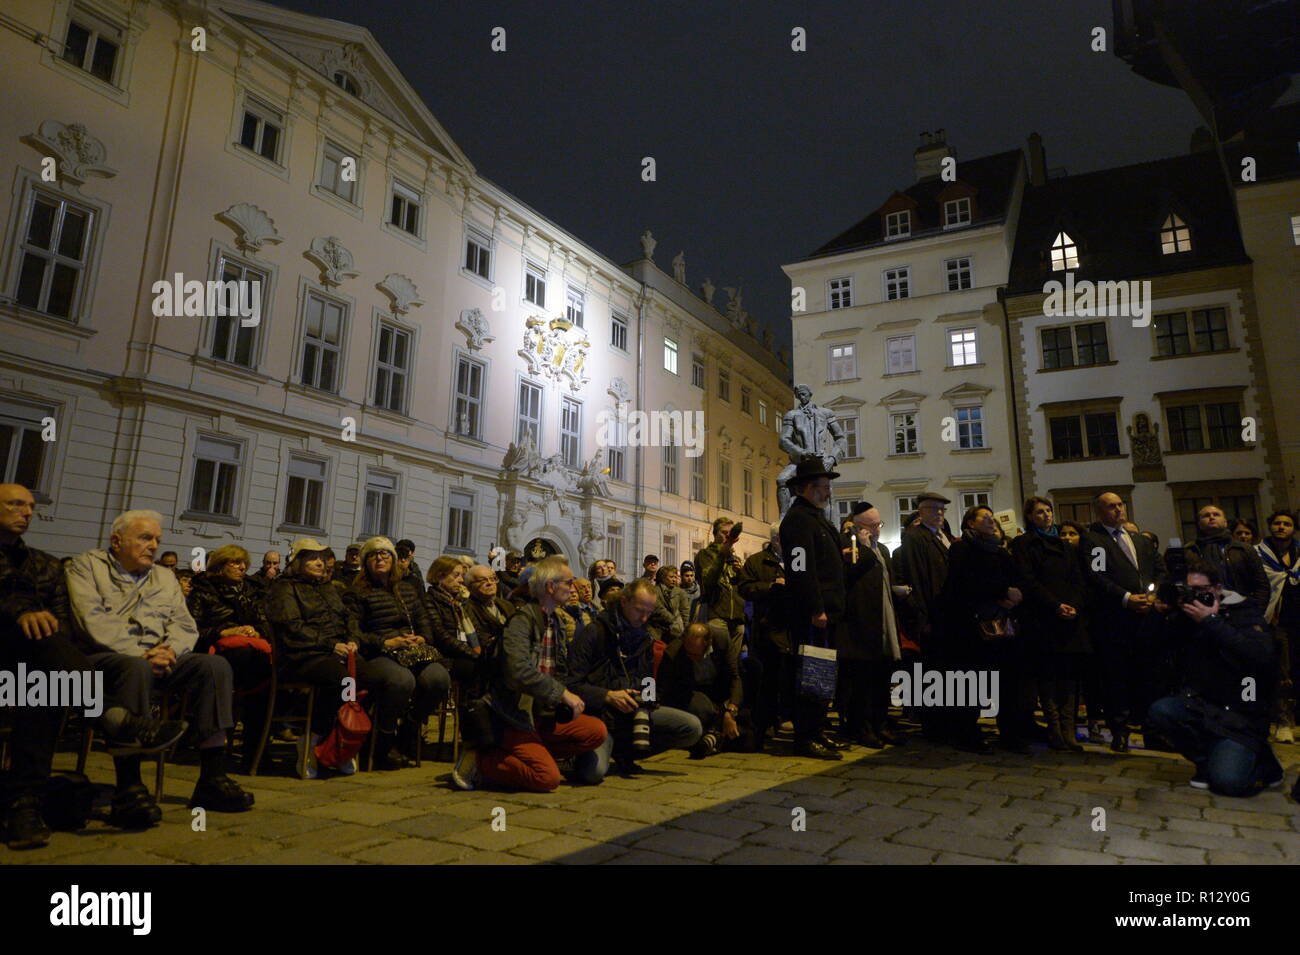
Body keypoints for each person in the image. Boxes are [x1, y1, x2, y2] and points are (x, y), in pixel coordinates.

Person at [66, 510, 253, 817]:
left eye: (156, 539)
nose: (153, 545)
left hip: (162, 659)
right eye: (144, 538)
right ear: (116, 540)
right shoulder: (86, 566)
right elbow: (91, 619)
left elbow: (185, 625)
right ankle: (129, 787)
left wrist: (170, 652)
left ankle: (212, 778)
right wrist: (140, 654)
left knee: (214, 666)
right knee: (134, 668)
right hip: (104, 659)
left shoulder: (164, 577)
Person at [265, 537, 416, 777]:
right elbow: (291, 627)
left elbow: (348, 619)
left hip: (336, 653)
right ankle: (312, 740)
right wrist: (330, 645)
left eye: (322, 558)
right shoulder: (284, 588)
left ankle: (344, 740)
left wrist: (352, 639)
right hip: (303, 656)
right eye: (312, 558)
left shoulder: (328, 587)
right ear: (298, 561)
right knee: (345, 682)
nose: (319, 563)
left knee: (377, 678)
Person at [0, 484, 100, 848]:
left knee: (47, 673)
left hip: (31, 669)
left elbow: (62, 624)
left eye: (30, 506)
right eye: (15, 504)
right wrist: (19, 613)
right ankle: (108, 715)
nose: (27, 511)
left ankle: (25, 803)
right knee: (40, 645)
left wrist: (38, 624)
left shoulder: (44, 564)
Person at [1146, 562, 1284, 795]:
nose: (1195, 596)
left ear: (1218, 588)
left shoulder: (1244, 612)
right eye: (1188, 590)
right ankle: (1205, 762)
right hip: (1202, 705)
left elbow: (1260, 657)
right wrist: (1158, 615)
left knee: (1229, 784)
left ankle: (1264, 762)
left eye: (1201, 589)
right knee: (1161, 711)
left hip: (1241, 716)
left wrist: (1211, 622)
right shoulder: (1186, 615)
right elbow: (1148, 648)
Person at [471, 556, 607, 792]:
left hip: (542, 711)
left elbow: (559, 669)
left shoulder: (556, 621)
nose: (572, 588)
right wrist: (561, 693)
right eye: (568, 582)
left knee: (596, 732)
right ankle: (481, 762)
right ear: (551, 587)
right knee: (546, 778)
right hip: (512, 713)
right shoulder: (522, 620)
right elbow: (517, 671)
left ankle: (533, 752)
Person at [566, 578, 703, 779]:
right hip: (600, 715)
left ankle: (626, 753)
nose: (644, 618)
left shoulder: (644, 638)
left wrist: (646, 699)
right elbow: (571, 684)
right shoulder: (595, 632)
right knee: (591, 774)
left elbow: (648, 681)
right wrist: (608, 696)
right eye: (640, 611)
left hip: (633, 713)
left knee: (691, 728)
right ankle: (590, 751)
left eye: (649, 612)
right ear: (624, 602)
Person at [345, 536, 449, 766]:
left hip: (411, 651)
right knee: (401, 681)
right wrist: (386, 642)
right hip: (377, 653)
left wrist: (422, 637)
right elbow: (353, 631)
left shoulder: (407, 588)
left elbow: (424, 621)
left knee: (438, 679)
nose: (380, 558)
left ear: (393, 559)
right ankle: (383, 739)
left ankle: (409, 731)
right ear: (365, 562)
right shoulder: (356, 592)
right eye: (373, 555)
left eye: (385, 554)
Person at [1083, 491, 1165, 753]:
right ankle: (1119, 730)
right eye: (1111, 507)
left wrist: (1154, 594)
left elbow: (1158, 569)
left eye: (1120, 505)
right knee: (1116, 677)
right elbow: (1097, 576)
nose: (1118, 510)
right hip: (1115, 620)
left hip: (1146, 618)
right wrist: (1126, 598)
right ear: (1099, 511)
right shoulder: (1094, 540)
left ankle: (1152, 731)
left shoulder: (1139, 539)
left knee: (1148, 675)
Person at [941, 505, 1027, 753]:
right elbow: (965, 581)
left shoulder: (1001, 550)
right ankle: (968, 733)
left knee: (1007, 683)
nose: (991, 521)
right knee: (974, 682)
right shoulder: (961, 548)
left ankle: (1010, 734)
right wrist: (1001, 592)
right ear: (970, 523)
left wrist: (1015, 594)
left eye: (992, 518)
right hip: (973, 627)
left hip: (1004, 625)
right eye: (985, 518)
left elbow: (1016, 577)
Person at [779, 455, 848, 759]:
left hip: (826, 610)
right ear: (807, 488)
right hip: (813, 613)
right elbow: (800, 570)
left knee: (822, 673)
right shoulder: (797, 521)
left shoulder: (816, 518)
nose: (828, 492)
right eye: (823, 486)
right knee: (812, 673)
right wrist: (814, 607)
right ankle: (806, 736)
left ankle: (818, 729)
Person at [1011, 497, 1090, 752]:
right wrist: (1055, 605)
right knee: (1048, 677)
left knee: (1069, 677)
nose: (1045, 515)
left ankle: (1069, 730)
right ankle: (1055, 729)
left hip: (1070, 619)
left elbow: (1078, 579)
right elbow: (1028, 580)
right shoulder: (1024, 544)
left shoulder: (1065, 545)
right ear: (1030, 517)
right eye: (1039, 512)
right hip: (1044, 619)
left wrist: (1074, 605)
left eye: (1048, 511)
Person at [185, 544, 275, 768]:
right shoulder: (203, 590)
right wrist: (223, 631)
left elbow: (263, 621)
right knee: (245, 666)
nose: (242, 567)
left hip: (249, 652)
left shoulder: (249, 592)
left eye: (244, 563)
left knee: (266, 673)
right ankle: (218, 743)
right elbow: (192, 628)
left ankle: (254, 748)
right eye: (235, 562)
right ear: (220, 565)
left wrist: (256, 630)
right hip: (213, 651)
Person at [838, 503, 905, 748]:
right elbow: (848, 576)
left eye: (879, 525)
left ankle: (880, 723)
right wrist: (864, 547)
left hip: (883, 619)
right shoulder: (847, 545)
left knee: (881, 678)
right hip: (860, 624)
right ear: (859, 526)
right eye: (872, 526)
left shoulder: (883, 550)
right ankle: (862, 728)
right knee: (862, 683)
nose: (877, 530)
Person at [893, 491, 956, 743]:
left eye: (941, 509)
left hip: (946, 614)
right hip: (932, 614)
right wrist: (923, 617)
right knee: (932, 672)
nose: (938, 513)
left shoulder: (943, 537)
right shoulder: (915, 537)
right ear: (921, 512)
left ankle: (944, 720)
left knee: (944, 671)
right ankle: (934, 725)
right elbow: (918, 579)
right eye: (932, 509)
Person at [658, 622, 754, 758]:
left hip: (719, 691)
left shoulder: (721, 640)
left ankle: (713, 737)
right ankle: (714, 736)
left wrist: (730, 711)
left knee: (747, 737)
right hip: (692, 694)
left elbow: (735, 676)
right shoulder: (673, 653)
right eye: (689, 653)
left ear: (708, 643)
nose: (692, 658)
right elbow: (669, 690)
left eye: (696, 654)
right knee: (705, 710)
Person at [738, 524, 790, 749]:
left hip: (791, 627)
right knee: (768, 679)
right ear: (776, 538)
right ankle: (765, 724)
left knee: (788, 677)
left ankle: (786, 717)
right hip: (768, 627)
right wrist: (770, 587)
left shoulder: (797, 557)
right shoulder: (758, 560)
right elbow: (744, 587)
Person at [695, 517, 747, 725]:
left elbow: (742, 586)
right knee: (719, 663)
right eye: (723, 532)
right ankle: (716, 708)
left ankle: (732, 706)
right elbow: (708, 581)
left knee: (734, 665)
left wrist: (739, 571)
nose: (727, 536)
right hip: (717, 614)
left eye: (730, 532)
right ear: (715, 533)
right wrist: (721, 556)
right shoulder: (706, 554)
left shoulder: (732, 556)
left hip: (736, 617)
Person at [1258, 510, 1299, 744]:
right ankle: (1282, 720)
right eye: (1277, 523)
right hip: (1274, 619)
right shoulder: (1258, 554)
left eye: (1287, 524)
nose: (1281, 527)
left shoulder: (1298, 554)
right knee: (1280, 672)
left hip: (1296, 617)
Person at [1184, 505, 1270, 608]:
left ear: (1225, 522)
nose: (1211, 517)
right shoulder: (1190, 550)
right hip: (1202, 609)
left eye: (1216, 514)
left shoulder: (1243, 549)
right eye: (1206, 515)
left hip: (1241, 608)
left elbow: (1261, 583)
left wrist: (1257, 610)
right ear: (1199, 524)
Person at [424, 556, 483, 687]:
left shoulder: (460, 602)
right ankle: (468, 706)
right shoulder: (429, 600)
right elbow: (441, 636)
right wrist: (473, 654)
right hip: (445, 656)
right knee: (474, 667)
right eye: (456, 575)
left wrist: (486, 651)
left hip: (464, 652)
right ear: (440, 576)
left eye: (462, 575)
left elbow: (477, 629)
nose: (461, 580)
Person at [463, 563, 517, 658]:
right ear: (469, 586)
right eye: (482, 580)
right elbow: (481, 638)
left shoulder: (507, 605)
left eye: (493, 579)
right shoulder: (466, 608)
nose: (490, 583)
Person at [656, 565, 690, 637]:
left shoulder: (680, 592)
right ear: (663, 578)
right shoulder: (656, 591)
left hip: (677, 630)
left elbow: (685, 612)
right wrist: (672, 620)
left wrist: (685, 629)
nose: (674, 580)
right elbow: (658, 609)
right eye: (671, 577)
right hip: (659, 628)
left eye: (675, 577)